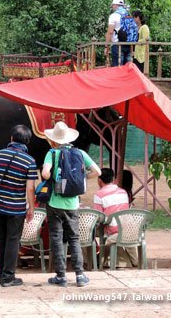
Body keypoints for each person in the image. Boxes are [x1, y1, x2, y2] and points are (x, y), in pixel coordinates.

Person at [41, 122, 101, 287]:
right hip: (73, 203)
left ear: (54, 139)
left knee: (56, 238)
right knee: (74, 238)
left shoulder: (52, 153)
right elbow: (98, 172)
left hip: (54, 202)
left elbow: (46, 174)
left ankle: (61, 276)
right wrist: (82, 178)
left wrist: (50, 176)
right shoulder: (80, 153)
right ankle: (80, 276)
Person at [0, 124, 38, 287]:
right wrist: (31, 207)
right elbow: (30, 187)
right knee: (13, 241)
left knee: (0, 240)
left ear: (11, 138)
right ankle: (8, 276)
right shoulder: (29, 161)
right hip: (16, 208)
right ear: (27, 141)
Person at [92, 168, 137, 268]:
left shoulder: (99, 195)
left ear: (99, 180)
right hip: (127, 228)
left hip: (112, 230)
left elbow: (99, 218)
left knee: (87, 232)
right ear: (113, 179)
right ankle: (104, 259)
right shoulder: (123, 192)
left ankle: (93, 261)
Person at [104, 0, 132, 66]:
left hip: (117, 44)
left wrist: (106, 46)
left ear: (116, 5)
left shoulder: (113, 16)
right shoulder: (129, 15)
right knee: (127, 68)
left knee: (117, 68)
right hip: (129, 45)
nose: (112, 7)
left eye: (112, 5)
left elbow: (110, 32)